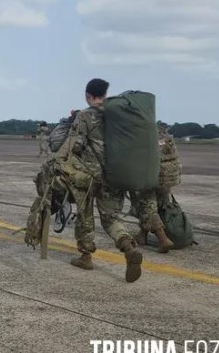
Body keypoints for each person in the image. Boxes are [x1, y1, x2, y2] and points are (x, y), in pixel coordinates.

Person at [56, 78, 143, 283]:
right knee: (111, 218)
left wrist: (59, 163)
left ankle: (86, 257)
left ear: (88, 95)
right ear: (105, 94)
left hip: (88, 176)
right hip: (114, 175)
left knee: (85, 214)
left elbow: (75, 145)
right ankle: (128, 247)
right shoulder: (117, 115)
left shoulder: (85, 115)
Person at [129, 123, 179, 252]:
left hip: (152, 177)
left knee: (146, 206)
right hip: (169, 176)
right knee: (161, 204)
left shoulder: (141, 134)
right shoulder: (162, 132)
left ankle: (163, 239)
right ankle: (142, 235)